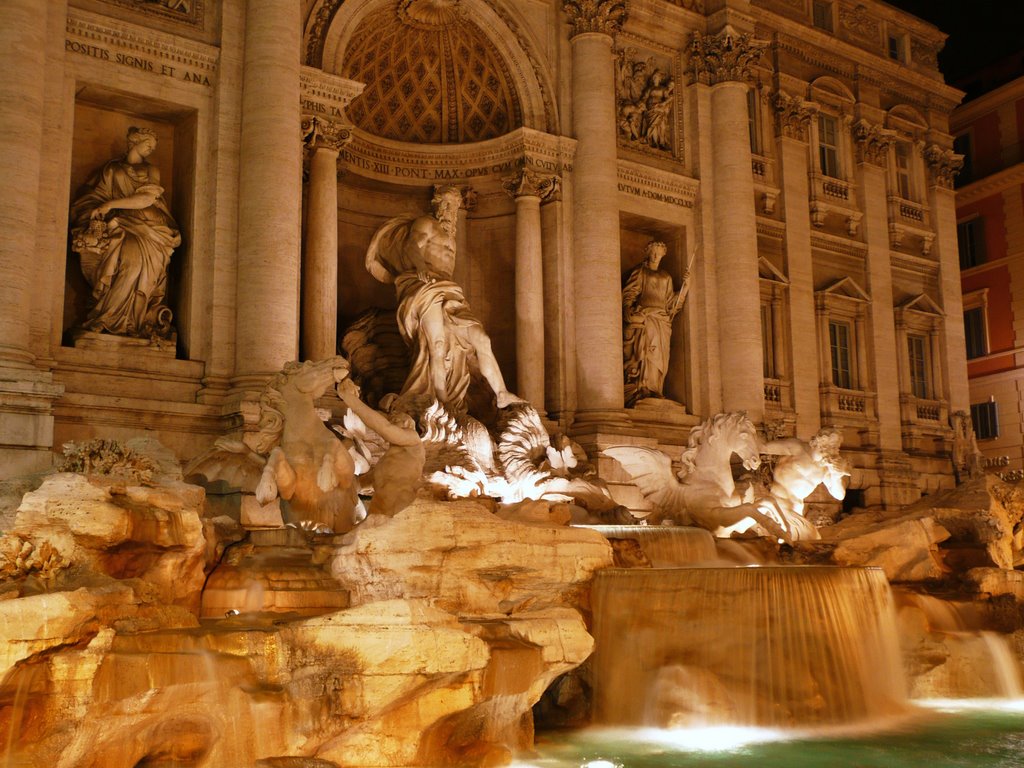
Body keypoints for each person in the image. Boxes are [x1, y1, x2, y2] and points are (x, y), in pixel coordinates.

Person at [365, 186, 522, 417]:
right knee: (436, 345)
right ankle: (442, 403)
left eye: (454, 207)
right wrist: (420, 268)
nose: (450, 211)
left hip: (448, 292)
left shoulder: (452, 237)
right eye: (447, 205)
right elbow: (412, 246)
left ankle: (501, 393)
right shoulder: (426, 224)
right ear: (437, 206)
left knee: (481, 338)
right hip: (423, 286)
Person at [70, 126, 181, 339]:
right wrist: (99, 210)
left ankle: (132, 322)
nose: (151, 149)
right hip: (122, 226)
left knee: (144, 271)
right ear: (133, 141)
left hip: (150, 229)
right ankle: (108, 318)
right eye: (148, 144)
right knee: (130, 265)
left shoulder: (152, 171)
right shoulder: (111, 170)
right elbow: (94, 197)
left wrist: (111, 204)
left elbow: (148, 199)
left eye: (154, 146)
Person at [336, 377, 424, 517]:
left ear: (409, 424)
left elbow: (384, 428)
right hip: (380, 508)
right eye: (392, 419)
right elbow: (370, 479)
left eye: (397, 420)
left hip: (398, 509)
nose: (393, 421)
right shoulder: (391, 459)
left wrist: (351, 400)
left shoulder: (413, 439)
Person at [622, 241, 690, 406]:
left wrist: (685, 287)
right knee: (647, 353)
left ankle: (656, 388)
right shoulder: (640, 272)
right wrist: (628, 311)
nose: (655, 256)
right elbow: (630, 294)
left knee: (661, 356)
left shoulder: (666, 277)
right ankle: (643, 387)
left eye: (659, 254)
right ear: (647, 253)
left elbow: (671, 304)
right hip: (646, 318)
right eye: (653, 252)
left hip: (662, 320)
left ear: (663, 255)